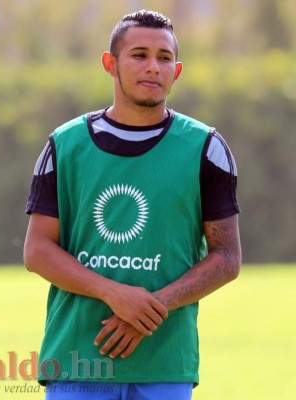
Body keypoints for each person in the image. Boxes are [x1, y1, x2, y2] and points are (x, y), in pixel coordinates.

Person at [24, 9, 241, 400]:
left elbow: (226, 258)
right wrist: (114, 294)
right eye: (139, 54)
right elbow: (37, 251)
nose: (153, 67)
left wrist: (150, 309)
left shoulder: (206, 148)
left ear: (177, 70)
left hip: (165, 362)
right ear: (111, 64)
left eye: (164, 58)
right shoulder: (65, 144)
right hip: (79, 360)